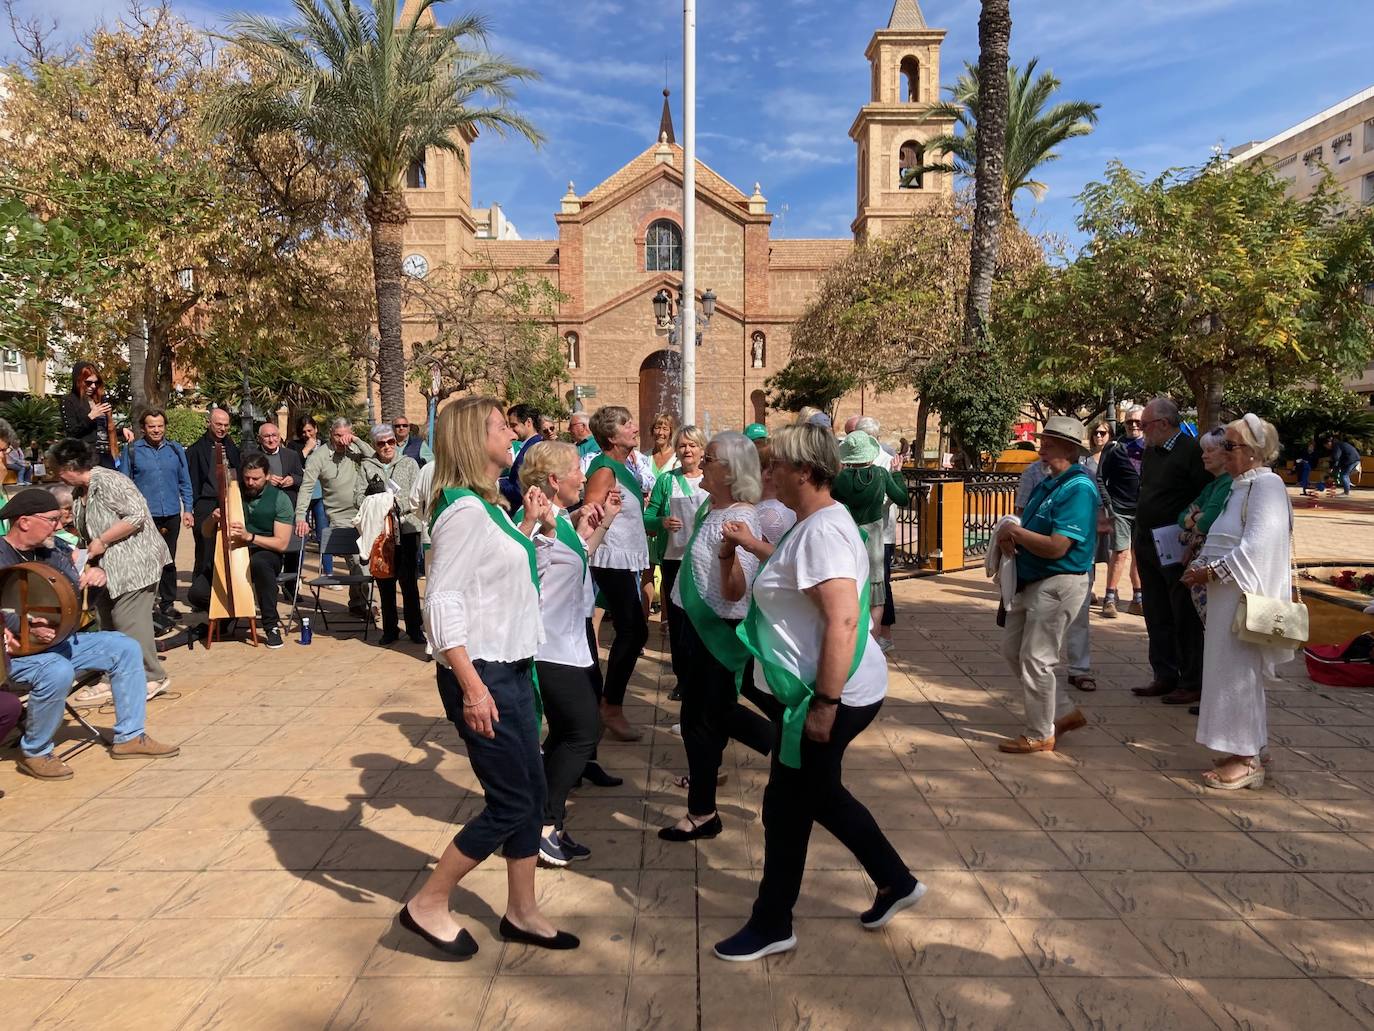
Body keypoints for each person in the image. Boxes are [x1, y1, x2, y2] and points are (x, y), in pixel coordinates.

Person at [713, 423, 922, 963]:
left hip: (833, 694)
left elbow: (844, 620)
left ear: (804, 471)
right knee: (819, 793)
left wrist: (826, 705)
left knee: (786, 806)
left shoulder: (823, 530)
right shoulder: (812, 525)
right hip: (820, 691)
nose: (767, 474)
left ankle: (772, 922)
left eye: (775, 465)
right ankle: (895, 880)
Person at [399, 396, 578, 959]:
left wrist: (531, 521)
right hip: (484, 676)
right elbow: (444, 601)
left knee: (531, 794)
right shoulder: (463, 513)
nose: (512, 432)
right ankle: (428, 901)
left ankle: (521, 910)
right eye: (502, 426)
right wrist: (472, 686)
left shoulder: (491, 507)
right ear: (474, 440)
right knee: (510, 802)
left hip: (511, 669)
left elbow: (503, 571)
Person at [0, 488, 178, 780]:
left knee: (123, 646)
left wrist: (95, 580)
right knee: (56, 671)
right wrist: (26, 624)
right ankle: (36, 751)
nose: (59, 525)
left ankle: (130, 737)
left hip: (58, 643)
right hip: (14, 656)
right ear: (24, 521)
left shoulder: (53, 549)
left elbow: (73, 602)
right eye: (52, 519)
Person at [659, 432, 773, 842]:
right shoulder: (716, 508)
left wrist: (728, 555)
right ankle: (704, 809)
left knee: (703, 721)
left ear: (729, 472)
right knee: (705, 716)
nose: (700, 464)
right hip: (697, 629)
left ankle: (703, 813)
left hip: (715, 632)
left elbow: (734, 592)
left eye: (708, 459)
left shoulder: (739, 519)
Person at [518, 441, 623, 865]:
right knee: (581, 733)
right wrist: (534, 528)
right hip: (550, 649)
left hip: (572, 644)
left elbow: (579, 556)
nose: (585, 477)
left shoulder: (560, 520)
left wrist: (605, 523)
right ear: (553, 481)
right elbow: (521, 566)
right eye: (578, 470)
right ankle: (543, 825)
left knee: (569, 734)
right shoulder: (539, 524)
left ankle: (548, 824)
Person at [1180, 415, 1293, 790]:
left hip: (1244, 598)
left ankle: (1246, 760)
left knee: (1238, 677)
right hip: (1227, 600)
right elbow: (1224, 536)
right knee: (1227, 674)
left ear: (1254, 451)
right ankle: (1245, 747)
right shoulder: (1241, 485)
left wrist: (1209, 573)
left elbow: (1257, 547)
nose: (1223, 452)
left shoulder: (1267, 485)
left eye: (1230, 446)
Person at [993, 417, 1100, 753]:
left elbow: (1057, 546)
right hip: (1032, 580)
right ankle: (1063, 712)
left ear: (1069, 449)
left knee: (1037, 658)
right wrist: (1012, 530)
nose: (1042, 449)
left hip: (1058, 582)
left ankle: (1040, 733)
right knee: (1014, 650)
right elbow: (1027, 523)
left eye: (1049, 444)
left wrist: (1014, 532)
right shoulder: (1048, 481)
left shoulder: (1079, 489)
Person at [52, 439, 172, 697]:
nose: (56, 475)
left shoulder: (109, 480)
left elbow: (137, 515)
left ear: (71, 466)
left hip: (136, 562)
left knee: (129, 621)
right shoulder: (77, 493)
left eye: (58, 469)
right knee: (106, 620)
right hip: (106, 569)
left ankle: (153, 676)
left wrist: (103, 540)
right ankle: (110, 676)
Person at [1131, 398, 1213, 707]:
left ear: (1164, 424)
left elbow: (1203, 497)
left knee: (1183, 613)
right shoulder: (1152, 451)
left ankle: (1191, 680)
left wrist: (1193, 539)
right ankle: (1164, 674)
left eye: (1146, 425)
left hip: (1176, 545)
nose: (1142, 431)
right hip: (1148, 542)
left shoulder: (1191, 452)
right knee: (1155, 610)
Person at [583, 405, 650, 742]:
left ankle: (607, 703)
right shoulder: (605, 469)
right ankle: (610, 706)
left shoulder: (623, 467)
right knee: (634, 631)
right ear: (611, 437)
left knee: (634, 631)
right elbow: (589, 514)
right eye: (626, 424)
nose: (634, 427)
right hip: (610, 560)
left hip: (623, 560)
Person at [187, 454, 294, 649]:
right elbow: (205, 532)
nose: (250, 483)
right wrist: (213, 518)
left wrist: (250, 537)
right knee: (196, 593)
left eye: (256, 479)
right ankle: (230, 613)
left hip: (265, 551)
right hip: (233, 552)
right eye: (246, 478)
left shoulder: (280, 499)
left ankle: (271, 626)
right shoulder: (231, 493)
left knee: (260, 564)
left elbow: (281, 544)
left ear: (268, 476)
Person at [642, 426, 707, 696]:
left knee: (702, 621)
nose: (687, 450)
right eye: (682, 446)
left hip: (706, 562)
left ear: (703, 450)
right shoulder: (667, 481)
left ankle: (704, 675)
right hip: (674, 560)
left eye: (693, 445)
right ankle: (683, 678)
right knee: (679, 622)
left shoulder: (713, 480)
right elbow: (646, 518)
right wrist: (662, 522)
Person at [831, 431, 908, 652]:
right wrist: (897, 474)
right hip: (874, 539)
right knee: (876, 590)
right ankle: (871, 645)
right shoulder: (882, 474)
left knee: (850, 587)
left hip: (847, 537)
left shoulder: (840, 479)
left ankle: (850, 641)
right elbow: (902, 498)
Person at [117, 409, 193, 625]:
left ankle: (167, 604)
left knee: (168, 560)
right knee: (143, 561)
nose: (156, 430)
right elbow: (125, 485)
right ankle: (143, 605)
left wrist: (187, 509)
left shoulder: (175, 450)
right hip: (144, 517)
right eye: (152, 426)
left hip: (170, 513)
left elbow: (184, 482)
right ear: (144, 428)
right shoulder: (132, 450)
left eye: (160, 425)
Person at [294, 417, 373, 620]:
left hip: (362, 514)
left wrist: (355, 440)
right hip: (339, 518)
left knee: (365, 562)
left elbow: (373, 457)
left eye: (345, 434)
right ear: (330, 433)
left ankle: (357, 603)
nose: (341, 440)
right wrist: (300, 516)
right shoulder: (319, 457)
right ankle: (364, 604)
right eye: (337, 435)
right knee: (357, 560)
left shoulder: (352, 451)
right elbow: (306, 487)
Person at [355, 425, 423, 646]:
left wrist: (392, 504)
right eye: (381, 443)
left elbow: (416, 496)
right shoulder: (366, 466)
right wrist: (375, 501)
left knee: (409, 582)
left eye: (390, 442)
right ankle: (390, 630)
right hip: (380, 533)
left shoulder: (410, 464)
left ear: (396, 441)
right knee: (385, 581)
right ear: (374, 445)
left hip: (407, 529)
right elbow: (357, 497)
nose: (386, 447)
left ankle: (415, 629)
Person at [854, 417, 902, 651]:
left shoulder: (884, 461)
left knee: (880, 585)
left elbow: (890, 496)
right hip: (870, 534)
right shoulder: (863, 461)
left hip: (880, 535)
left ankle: (883, 635)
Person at [1098, 408, 1145, 617]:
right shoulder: (1114, 447)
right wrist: (1108, 503)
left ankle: (1138, 599)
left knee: (1139, 555)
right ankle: (1109, 598)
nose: (1133, 425)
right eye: (1129, 422)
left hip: (1143, 510)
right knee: (1120, 553)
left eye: (1138, 421)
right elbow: (1100, 477)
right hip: (1120, 509)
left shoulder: (1152, 447)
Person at [187, 408, 240, 585]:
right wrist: (193, 505)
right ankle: (200, 590)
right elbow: (192, 479)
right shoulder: (196, 449)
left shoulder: (233, 448)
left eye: (225, 425)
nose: (222, 428)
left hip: (228, 501)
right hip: (205, 502)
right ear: (209, 423)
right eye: (218, 424)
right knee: (204, 547)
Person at [59, 361, 128, 469]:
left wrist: (121, 431)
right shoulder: (69, 401)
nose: (93, 386)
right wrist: (90, 417)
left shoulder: (98, 400)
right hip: (86, 456)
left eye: (96, 382)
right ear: (79, 381)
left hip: (106, 455)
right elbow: (71, 432)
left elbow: (101, 430)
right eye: (88, 383)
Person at [289, 416, 332, 577]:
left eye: (310, 430)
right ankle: (297, 575)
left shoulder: (326, 445)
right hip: (303, 496)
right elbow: (293, 465)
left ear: (316, 429)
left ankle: (328, 573)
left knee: (324, 534)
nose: (307, 434)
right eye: (303, 431)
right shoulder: (294, 446)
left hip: (321, 495)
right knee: (301, 536)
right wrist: (306, 449)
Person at [249, 422, 305, 514]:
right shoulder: (251, 456)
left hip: (287, 506)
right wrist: (265, 481)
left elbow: (302, 478)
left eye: (274, 435)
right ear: (259, 438)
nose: (271, 440)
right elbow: (243, 481)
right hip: (261, 506)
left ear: (279, 437)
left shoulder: (291, 455)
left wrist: (293, 479)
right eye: (266, 436)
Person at [499, 403, 543, 511]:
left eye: (514, 425)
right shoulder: (531, 445)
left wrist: (496, 483)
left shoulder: (533, 448)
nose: (511, 430)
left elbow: (520, 489)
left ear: (528, 422)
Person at [753, 438, 797, 543]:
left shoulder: (769, 514)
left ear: (768, 473)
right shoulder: (786, 505)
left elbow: (748, 558)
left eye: (752, 468)